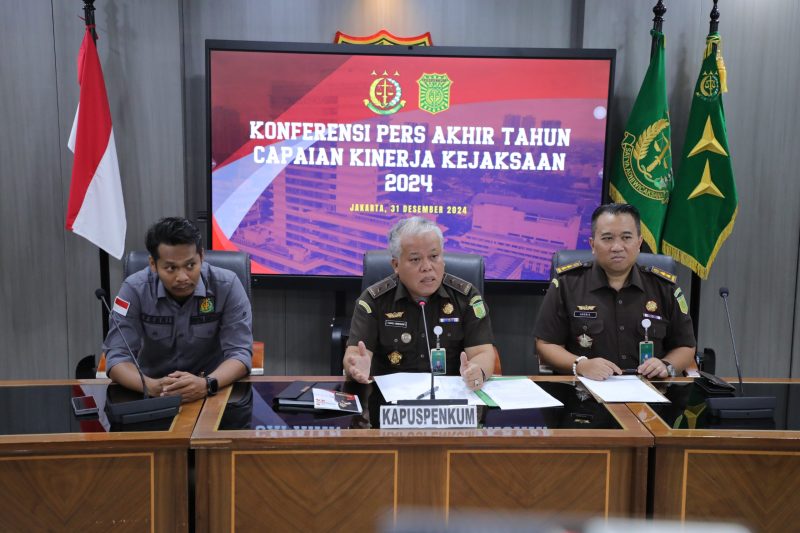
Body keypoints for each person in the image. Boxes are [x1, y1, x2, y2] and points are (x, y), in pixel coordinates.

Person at [534, 203, 696, 380]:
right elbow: (546, 344)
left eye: (626, 237)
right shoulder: (567, 284)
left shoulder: (663, 287)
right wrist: (581, 364)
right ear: (592, 244)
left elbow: (685, 346)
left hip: (650, 388)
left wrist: (666, 365)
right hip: (584, 387)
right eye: (607, 238)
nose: (617, 247)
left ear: (639, 242)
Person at [103, 217, 252, 402]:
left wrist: (206, 384)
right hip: (153, 391)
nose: (182, 277)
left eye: (190, 265)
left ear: (201, 256)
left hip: (212, 390)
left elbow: (240, 353)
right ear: (153, 264)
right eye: (171, 268)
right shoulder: (134, 289)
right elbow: (117, 357)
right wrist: (152, 386)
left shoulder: (227, 285)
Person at [344, 217, 495, 391]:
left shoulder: (466, 297)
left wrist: (477, 370)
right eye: (415, 259)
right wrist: (355, 367)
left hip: (451, 398)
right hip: (390, 400)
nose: (427, 267)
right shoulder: (373, 300)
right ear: (396, 265)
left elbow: (483, 353)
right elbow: (355, 355)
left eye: (434, 256)